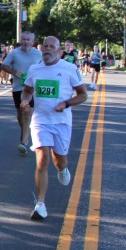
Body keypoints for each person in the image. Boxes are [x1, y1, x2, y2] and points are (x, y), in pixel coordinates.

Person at [20, 36, 88, 220]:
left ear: (59, 51)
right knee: (42, 159)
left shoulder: (69, 68)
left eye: (52, 47)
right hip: (40, 121)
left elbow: (83, 95)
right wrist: (25, 101)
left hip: (61, 122)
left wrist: (66, 104)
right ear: (41, 49)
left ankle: (62, 169)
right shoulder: (35, 69)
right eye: (45, 46)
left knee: (59, 160)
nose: (48, 49)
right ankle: (40, 204)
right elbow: (27, 91)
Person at [0, 31, 42, 155]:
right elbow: (4, 65)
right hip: (18, 87)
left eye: (28, 40)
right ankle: (25, 131)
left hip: (32, 89)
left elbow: (44, 67)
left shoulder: (38, 54)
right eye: (23, 39)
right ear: (20, 40)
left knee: (28, 112)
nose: (25, 42)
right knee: (20, 113)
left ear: (32, 42)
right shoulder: (14, 53)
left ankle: (23, 142)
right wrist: (14, 72)